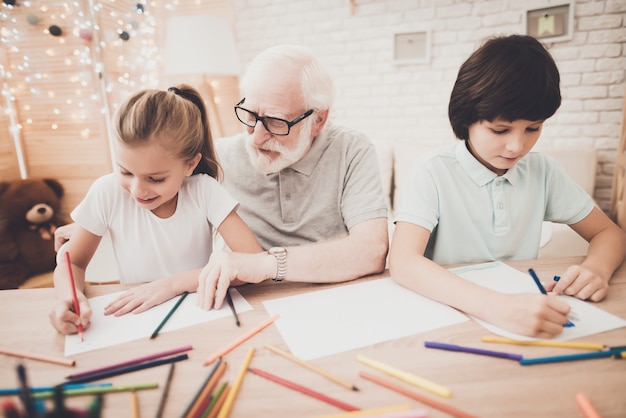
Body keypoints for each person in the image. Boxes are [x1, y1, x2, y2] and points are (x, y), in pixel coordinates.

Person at [389, 35, 626, 339]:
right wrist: (497, 308)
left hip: (525, 313)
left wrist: (596, 270)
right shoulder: (433, 171)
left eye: (533, 128)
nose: (517, 146)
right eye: (500, 129)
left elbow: (610, 233)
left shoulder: (542, 170)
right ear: (466, 119)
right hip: (449, 316)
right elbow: (403, 261)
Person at [49, 85, 262, 335]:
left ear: (190, 164)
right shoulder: (106, 192)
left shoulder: (205, 190)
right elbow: (72, 261)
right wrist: (69, 298)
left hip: (199, 316)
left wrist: (173, 284)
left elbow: (253, 262)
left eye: (156, 179)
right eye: (125, 172)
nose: (138, 190)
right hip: (136, 322)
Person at [196, 44, 389, 310]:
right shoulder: (220, 157)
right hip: (250, 306)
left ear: (319, 120)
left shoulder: (351, 149)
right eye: (250, 115)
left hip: (338, 301)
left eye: (276, 122)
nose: (256, 137)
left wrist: (266, 264)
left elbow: (372, 250)